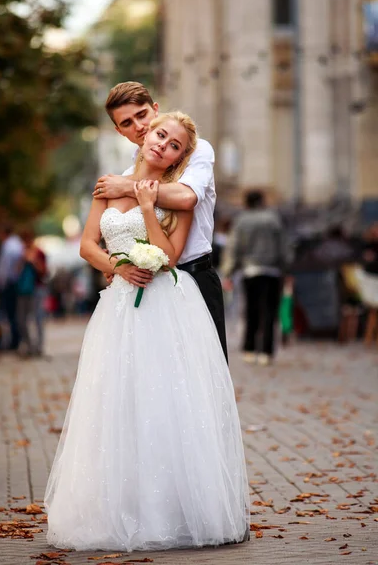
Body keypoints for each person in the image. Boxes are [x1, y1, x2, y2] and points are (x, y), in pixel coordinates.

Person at [44, 112, 249, 552]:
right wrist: (119, 266)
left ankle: (172, 510)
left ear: (178, 157)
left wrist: (144, 206)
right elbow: (87, 245)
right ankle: (120, 508)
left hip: (164, 306)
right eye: (160, 135)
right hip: (118, 305)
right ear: (144, 136)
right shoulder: (107, 184)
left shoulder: (174, 197)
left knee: (166, 400)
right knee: (117, 400)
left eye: (174, 145)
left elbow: (170, 256)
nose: (163, 146)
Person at [92, 81, 228, 361]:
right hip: (148, 286)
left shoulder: (194, 149)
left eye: (142, 115)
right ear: (119, 131)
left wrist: (129, 188)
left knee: (206, 377)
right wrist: (118, 263)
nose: (138, 126)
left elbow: (186, 198)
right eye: (127, 123)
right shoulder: (126, 172)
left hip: (194, 274)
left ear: (155, 109)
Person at [223, 190, 288, 366]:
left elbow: (234, 247)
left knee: (251, 309)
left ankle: (249, 348)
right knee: (269, 311)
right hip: (272, 270)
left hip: (250, 270)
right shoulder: (273, 219)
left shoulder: (241, 221)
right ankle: (266, 351)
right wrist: (286, 267)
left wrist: (228, 271)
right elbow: (283, 246)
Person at [16, 230, 48, 357]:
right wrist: (23, 260)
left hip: (37, 288)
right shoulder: (21, 254)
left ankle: (38, 347)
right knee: (21, 319)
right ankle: (28, 345)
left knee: (38, 318)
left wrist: (33, 260)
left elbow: (44, 271)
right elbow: (16, 272)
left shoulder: (39, 253)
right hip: (23, 290)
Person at [0, 224, 24, 350]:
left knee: (10, 314)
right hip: (14, 283)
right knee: (14, 314)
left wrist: (1, 283)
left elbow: (5, 269)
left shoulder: (8, 246)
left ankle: (14, 341)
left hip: (10, 284)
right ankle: (15, 340)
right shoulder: (17, 243)